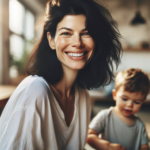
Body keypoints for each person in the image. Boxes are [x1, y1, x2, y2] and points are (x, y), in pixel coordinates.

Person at [0, 0, 122, 149]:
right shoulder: (34, 91)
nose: (77, 42)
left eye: (86, 33)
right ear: (51, 40)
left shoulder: (83, 97)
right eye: (66, 33)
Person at [87, 68, 150, 150]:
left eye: (137, 102)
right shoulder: (105, 116)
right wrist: (108, 146)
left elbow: (144, 146)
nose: (129, 105)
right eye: (124, 99)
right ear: (115, 95)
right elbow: (89, 136)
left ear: (143, 101)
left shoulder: (140, 125)